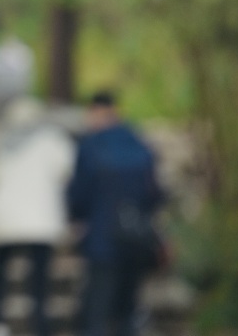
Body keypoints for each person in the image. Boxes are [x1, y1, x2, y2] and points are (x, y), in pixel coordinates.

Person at [67, 91, 165, 336]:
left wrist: (77, 219)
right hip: (136, 238)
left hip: (102, 239)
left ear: (95, 112)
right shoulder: (139, 143)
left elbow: (79, 194)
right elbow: (155, 194)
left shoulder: (91, 146)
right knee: (128, 311)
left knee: (97, 310)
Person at [0, 96, 76, 336]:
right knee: (39, 279)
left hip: (4, 217)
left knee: (0, 273)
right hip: (40, 219)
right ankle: (39, 324)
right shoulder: (53, 140)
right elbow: (65, 171)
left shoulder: (0, 140)